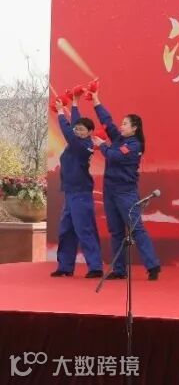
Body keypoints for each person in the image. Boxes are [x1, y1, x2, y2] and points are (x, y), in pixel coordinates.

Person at [90, 91, 160, 281]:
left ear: (134, 128)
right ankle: (119, 270)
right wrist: (96, 100)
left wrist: (102, 145)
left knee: (136, 229)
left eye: (125, 124)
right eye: (122, 123)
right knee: (115, 231)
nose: (121, 126)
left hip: (125, 192)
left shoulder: (134, 145)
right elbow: (107, 122)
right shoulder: (119, 139)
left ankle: (153, 266)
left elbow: (114, 156)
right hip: (110, 191)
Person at [51, 96, 104, 279]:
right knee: (66, 230)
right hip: (70, 193)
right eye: (77, 129)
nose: (78, 131)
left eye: (82, 129)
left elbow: (68, 130)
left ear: (90, 132)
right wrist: (74, 102)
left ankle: (95, 266)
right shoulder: (76, 142)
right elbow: (73, 125)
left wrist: (60, 111)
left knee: (84, 229)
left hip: (81, 194)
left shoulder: (83, 145)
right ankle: (65, 266)